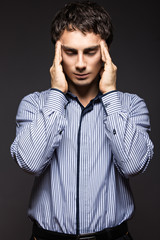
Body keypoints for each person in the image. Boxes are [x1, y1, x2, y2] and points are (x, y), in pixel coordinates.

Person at [10, 1, 154, 240]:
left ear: (105, 52)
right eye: (70, 52)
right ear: (57, 53)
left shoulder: (130, 106)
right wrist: (56, 94)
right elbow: (31, 163)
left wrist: (110, 96)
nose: (79, 63)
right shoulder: (34, 105)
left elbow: (133, 166)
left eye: (90, 51)